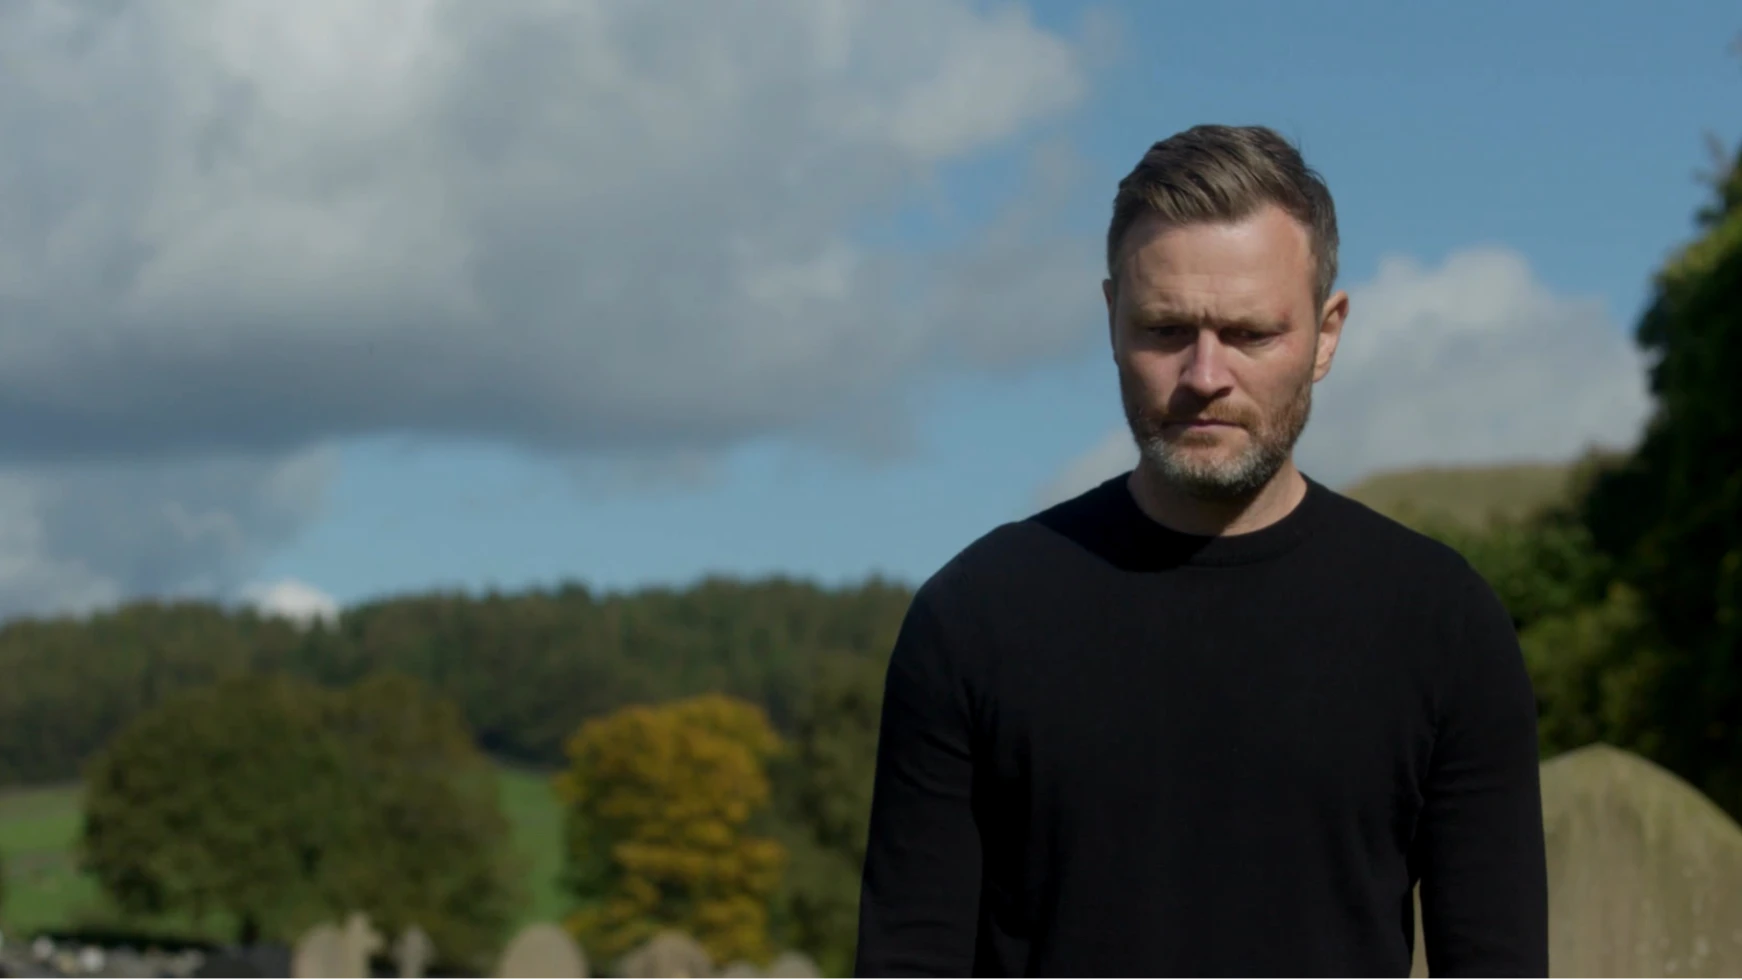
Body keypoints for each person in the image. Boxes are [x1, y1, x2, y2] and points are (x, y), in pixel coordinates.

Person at [853, 125, 1549, 980]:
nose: (1205, 374)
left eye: (1251, 333)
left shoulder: (1442, 625)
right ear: (1111, 318)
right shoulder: (974, 621)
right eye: (1166, 329)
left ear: (1327, 334)